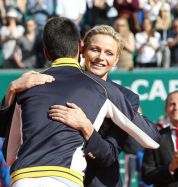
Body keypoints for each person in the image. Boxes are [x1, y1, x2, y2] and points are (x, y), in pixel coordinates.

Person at [0, 17, 160, 187]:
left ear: (117, 59)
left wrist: (86, 127)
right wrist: (11, 91)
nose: (100, 57)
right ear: (82, 49)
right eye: (95, 49)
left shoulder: (124, 97)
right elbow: (9, 147)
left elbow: (109, 155)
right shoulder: (37, 81)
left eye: (109, 53)